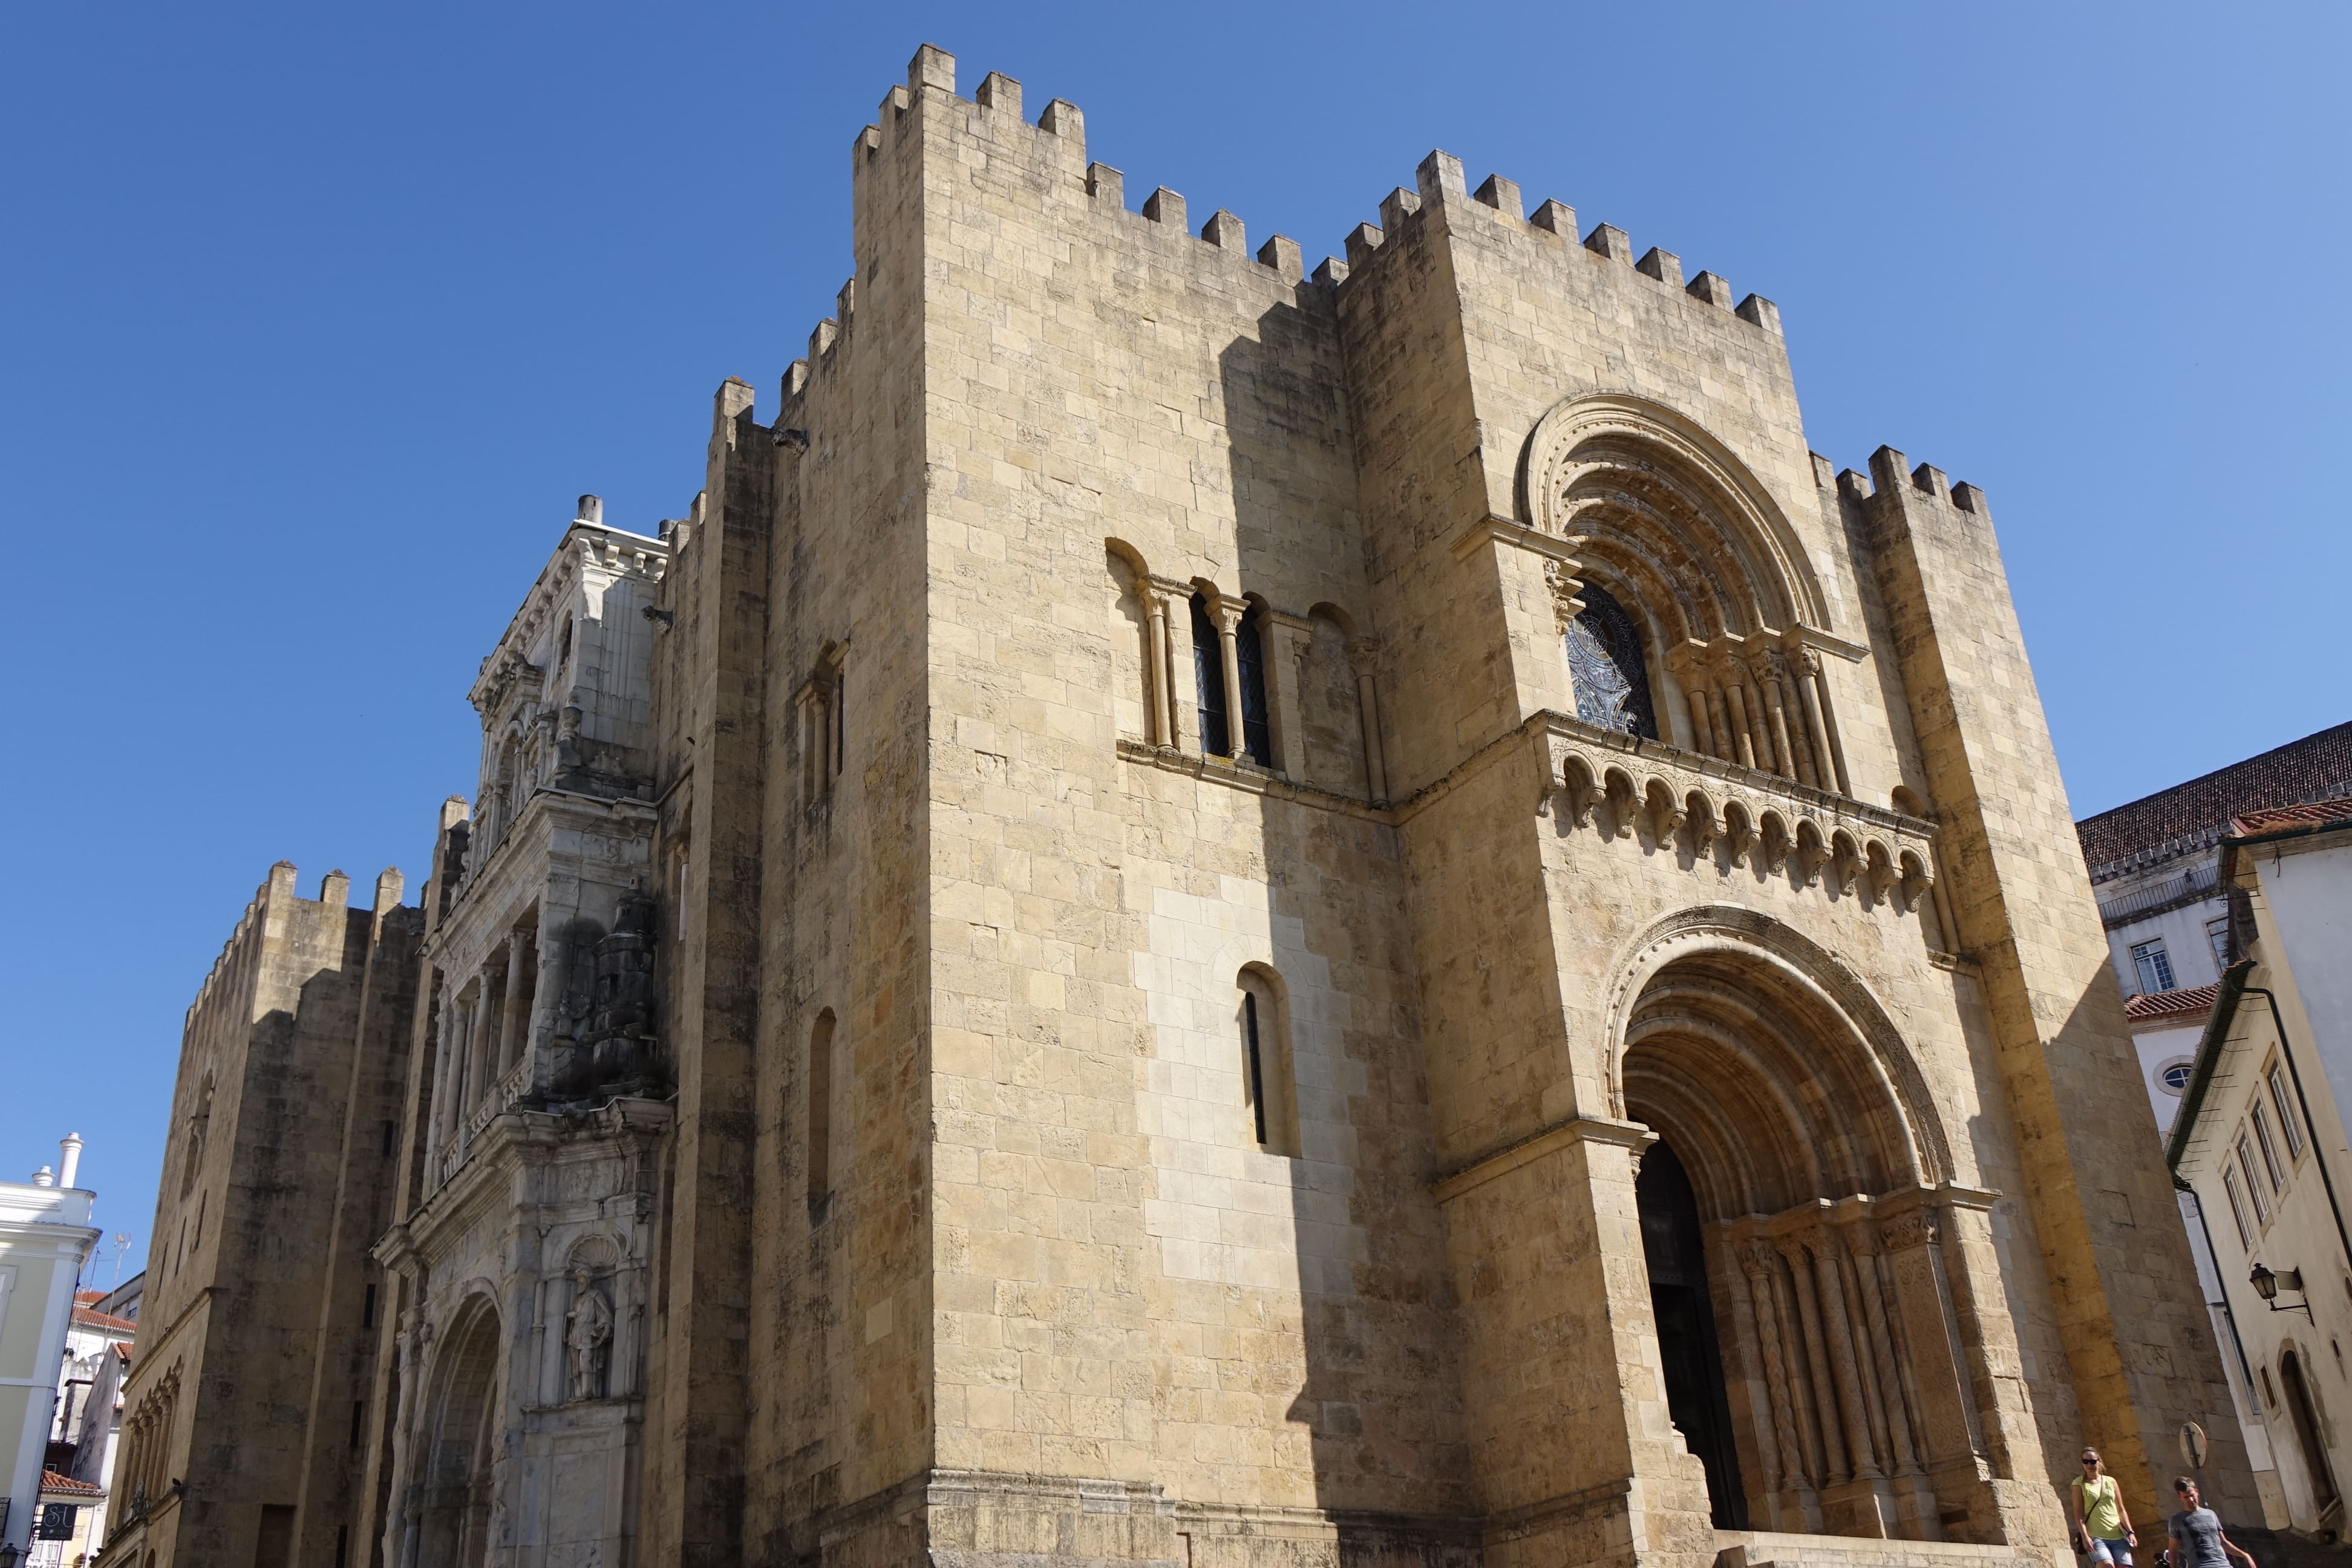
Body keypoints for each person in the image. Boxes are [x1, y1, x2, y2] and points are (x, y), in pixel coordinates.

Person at [2168, 1476, 2256, 1568]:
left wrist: (2245, 1555)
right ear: (2180, 1497)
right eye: (2186, 1497)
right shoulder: (2176, 1520)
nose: (2191, 1500)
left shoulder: (2211, 1514)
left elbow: (2223, 1542)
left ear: (2197, 1492)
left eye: (2192, 1495)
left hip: (2223, 1565)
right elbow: (2173, 1549)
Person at [2071, 1449, 2137, 1564]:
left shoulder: (2111, 1481)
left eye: (2092, 1461)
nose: (2089, 1465)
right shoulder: (2079, 1484)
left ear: (2099, 1461)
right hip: (2096, 1537)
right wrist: (2085, 1536)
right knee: (2107, 1565)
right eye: (2085, 1461)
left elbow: (2121, 1509)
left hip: (2117, 1534)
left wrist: (2130, 1532)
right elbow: (2079, 1514)